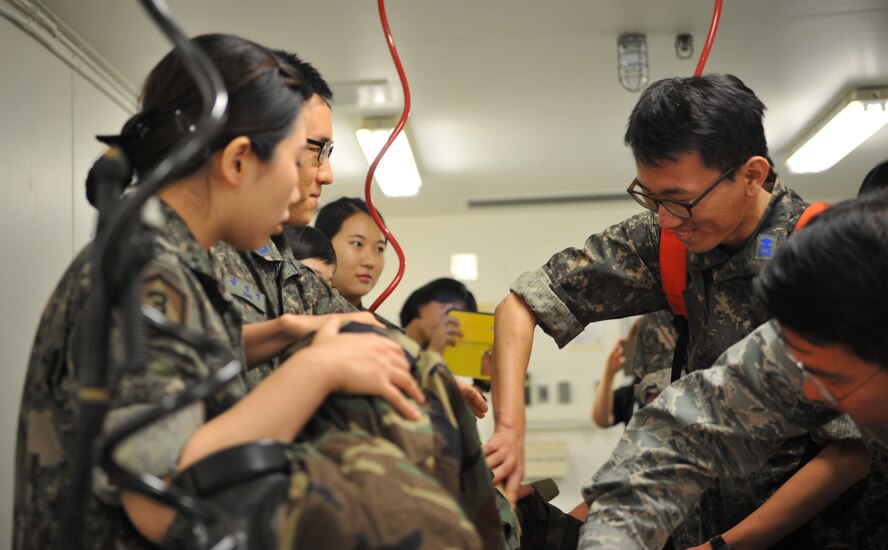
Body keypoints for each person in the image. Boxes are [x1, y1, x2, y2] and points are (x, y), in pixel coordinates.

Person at [14, 34, 481, 549]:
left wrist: (284, 332)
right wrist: (315, 369)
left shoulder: (168, 258)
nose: (301, 185)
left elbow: (176, 374)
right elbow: (160, 492)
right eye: (293, 160)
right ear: (238, 161)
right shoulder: (151, 274)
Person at [486, 73, 873, 547]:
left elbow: (851, 450)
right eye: (650, 197)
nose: (666, 219)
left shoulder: (825, 259)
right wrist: (509, 432)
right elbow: (522, 303)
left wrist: (725, 547)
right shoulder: (664, 238)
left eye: (680, 201)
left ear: (752, 175)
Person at [580, 190, 888, 549]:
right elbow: (683, 435)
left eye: (834, 379)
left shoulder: (857, 322)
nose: (807, 392)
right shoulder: (814, 332)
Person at [211, 51, 367, 388]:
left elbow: (359, 328)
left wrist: (426, 370)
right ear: (242, 153)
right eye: (312, 151)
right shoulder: (158, 255)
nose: (326, 175)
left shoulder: (281, 260)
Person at [315, 196, 387, 308]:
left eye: (379, 248)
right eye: (357, 243)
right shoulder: (292, 313)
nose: (370, 262)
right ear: (322, 244)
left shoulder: (374, 321)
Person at [400, 277, 477, 354]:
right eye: (448, 310)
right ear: (420, 304)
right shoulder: (393, 342)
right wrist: (434, 353)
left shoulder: (447, 357)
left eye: (456, 316)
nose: (448, 318)